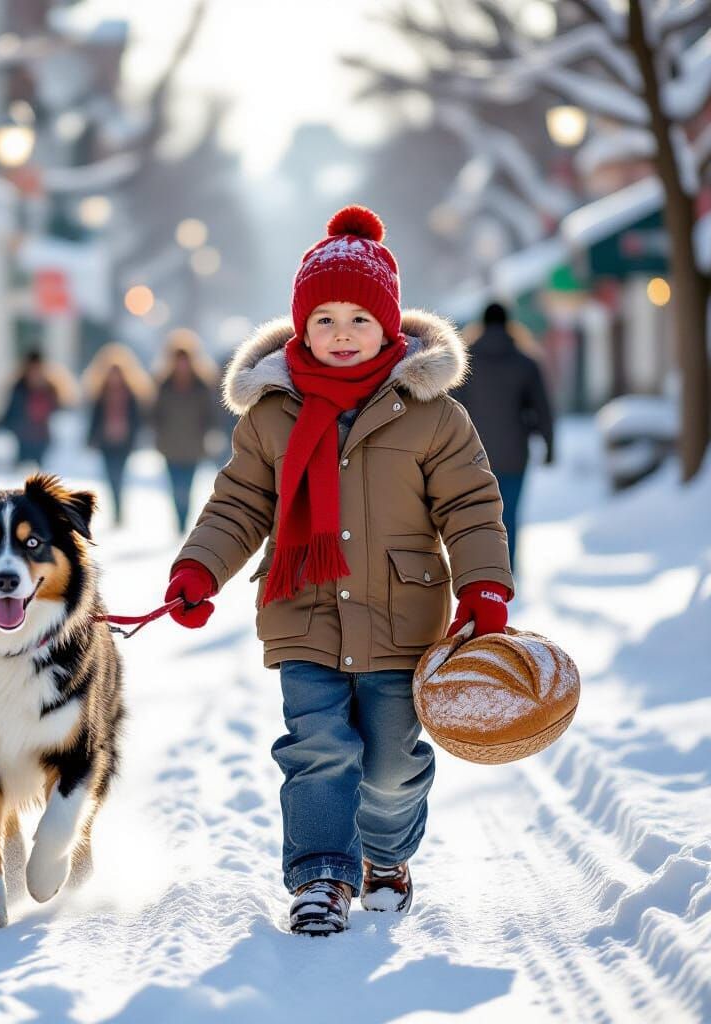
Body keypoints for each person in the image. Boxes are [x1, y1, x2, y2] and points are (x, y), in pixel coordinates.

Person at [162, 206, 514, 934]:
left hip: (401, 619)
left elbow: (473, 506)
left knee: (388, 764)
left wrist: (483, 585)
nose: (343, 333)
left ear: (389, 327)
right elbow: (238, 505)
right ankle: (321, 876)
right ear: (300, 328)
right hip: (305, 611)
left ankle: (385, 854)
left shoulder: (434, 415)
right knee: (318, 749)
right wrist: (199, 571)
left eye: (359, 317)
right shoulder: (270, 416)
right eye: (324, 318)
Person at [452, 302, 554, 573]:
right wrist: (549, 446)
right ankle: (506, 568)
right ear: (510, 324)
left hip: (472, 454)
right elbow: (542, 409)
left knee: (476, 513)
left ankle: (479, 566)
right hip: (514, 454)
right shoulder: (526, 362)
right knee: (508, 514)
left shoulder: (465, 362)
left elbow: (452, 409)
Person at [152, 328, 220, 533]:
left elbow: (211, 414)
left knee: (186, 489)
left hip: (193, 447)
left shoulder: (201, 385)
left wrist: (209, 434)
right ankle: (178, 522)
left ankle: (183, 523)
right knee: (175, 489)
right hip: (170, 446)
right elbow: (154, 414)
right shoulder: (163, 385)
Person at [82, 343, 153, 526]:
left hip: (124, 442)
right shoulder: (100, 394)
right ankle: (117, 509)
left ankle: (119, 510)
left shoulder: (132, 394)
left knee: (119, 474)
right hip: (106, 442)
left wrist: (136, 438)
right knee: (110, 475)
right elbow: (94, 419)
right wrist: (90, 439)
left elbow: (138, 419)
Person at [0, 352, 76, 467]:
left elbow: (60, 412)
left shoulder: (51, 389)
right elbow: (10, 414)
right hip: (23, 439)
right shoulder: (19, 389)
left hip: (42, 439)